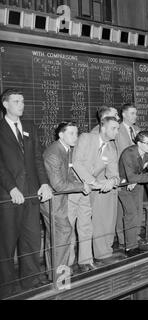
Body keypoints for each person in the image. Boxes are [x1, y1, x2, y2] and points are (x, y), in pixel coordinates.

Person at [0, 89, 53, 298]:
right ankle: (7, 287)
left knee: (31, 240)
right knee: (6, 243)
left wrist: (45, 184)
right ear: (5, 104)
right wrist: (12, 188)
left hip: (31, 194)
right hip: (7, 195)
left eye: (22, 101)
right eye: (16, 101)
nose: (21, 104)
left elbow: (37, 159)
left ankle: (30, 280)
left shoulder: (29, 126)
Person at [41, 122, 92, 274]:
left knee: (56, 236)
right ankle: (60, 276)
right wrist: (82, 187)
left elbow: (68, 174)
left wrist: (81, 182)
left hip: (59, 201)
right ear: (61, 134)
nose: (75, 137)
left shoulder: (66, 149)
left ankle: (54, 274)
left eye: (76, 133)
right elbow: (58, 185)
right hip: (52, 202)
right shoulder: (54, 153)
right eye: (71, 133)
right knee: (62, 233)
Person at [73, 117, 121, 263]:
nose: (117, 132)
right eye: (114, 128)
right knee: (67, 231)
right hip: (73, 188)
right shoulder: (86, 138)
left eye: (118, 129)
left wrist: (111, 181)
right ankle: (64, 269)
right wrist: (95, 182)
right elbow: (77, 163)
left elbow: (115, 175)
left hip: (90, 190)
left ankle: (86, 262)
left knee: (86, 228)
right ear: (103, 128)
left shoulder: (111, 148)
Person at [118, 131, 148, 256]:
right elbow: (130, 177)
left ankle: (133, 243)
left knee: (137, 214)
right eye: (147, 143)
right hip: (123, 185)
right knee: (130, 213)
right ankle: (129, 248)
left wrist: (138, 179)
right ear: (138, 143)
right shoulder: (128, 153)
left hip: (136, 184)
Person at [115, 103, 142, 250]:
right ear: (124, 114)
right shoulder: (117, 130)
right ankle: (123, 239)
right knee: (124, 210)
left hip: (138, 174)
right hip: (124, 176)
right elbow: (117, 155)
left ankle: (135, 237)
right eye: (132, 113)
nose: (135, 116)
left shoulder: (137, 130)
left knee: (137, 207)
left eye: (136, 113)